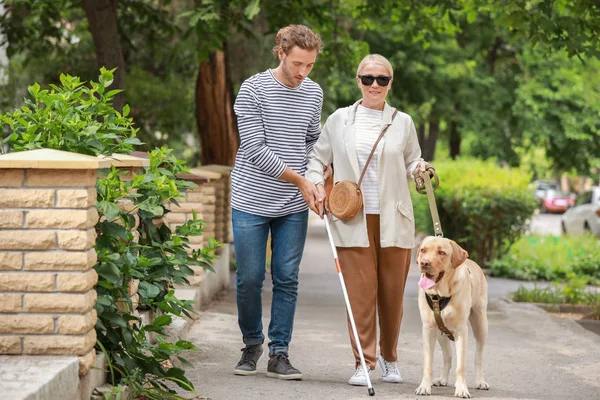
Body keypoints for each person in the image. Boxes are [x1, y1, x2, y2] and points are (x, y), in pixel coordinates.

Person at [306, 54, 430, 386]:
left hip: (394, 218)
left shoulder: (402, 122)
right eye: (368, 78)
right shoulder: (338, 120)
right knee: (360, 294)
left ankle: (390, 359)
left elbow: (412, 160)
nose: (375, 85)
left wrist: (420, 170)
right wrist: (317, 186)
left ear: (391, 83)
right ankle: (364, 362)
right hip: (352, 218)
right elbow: (316, 160)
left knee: (391, 294)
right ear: (358, 81)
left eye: (382, 79)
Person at [231, 24, 324, 380]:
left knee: (286, 277)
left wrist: (319, 179)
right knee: (250, 279)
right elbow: (254, 149)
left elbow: (313, 141)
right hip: (251, 199)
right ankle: (252, 343)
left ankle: (279, 352)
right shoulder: (253, 89)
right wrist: (300, 179)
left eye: (310, 65)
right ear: (281, 53)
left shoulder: (313, 93)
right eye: (298, 63)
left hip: (292, 205)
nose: (303, 73)